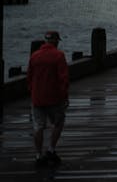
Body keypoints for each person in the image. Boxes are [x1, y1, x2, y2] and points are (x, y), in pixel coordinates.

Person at [27, 30, 69, 167]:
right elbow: (63, 78)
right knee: (58, 123)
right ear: (56, 41)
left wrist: (32, 92)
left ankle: (38, 155)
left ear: (45, 41)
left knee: (38, 127)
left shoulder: (34, 56)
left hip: (37, 98)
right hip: (54, 98)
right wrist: (65, 96)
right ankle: (51, 149)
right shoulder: (59, 55)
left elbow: (29, 76)